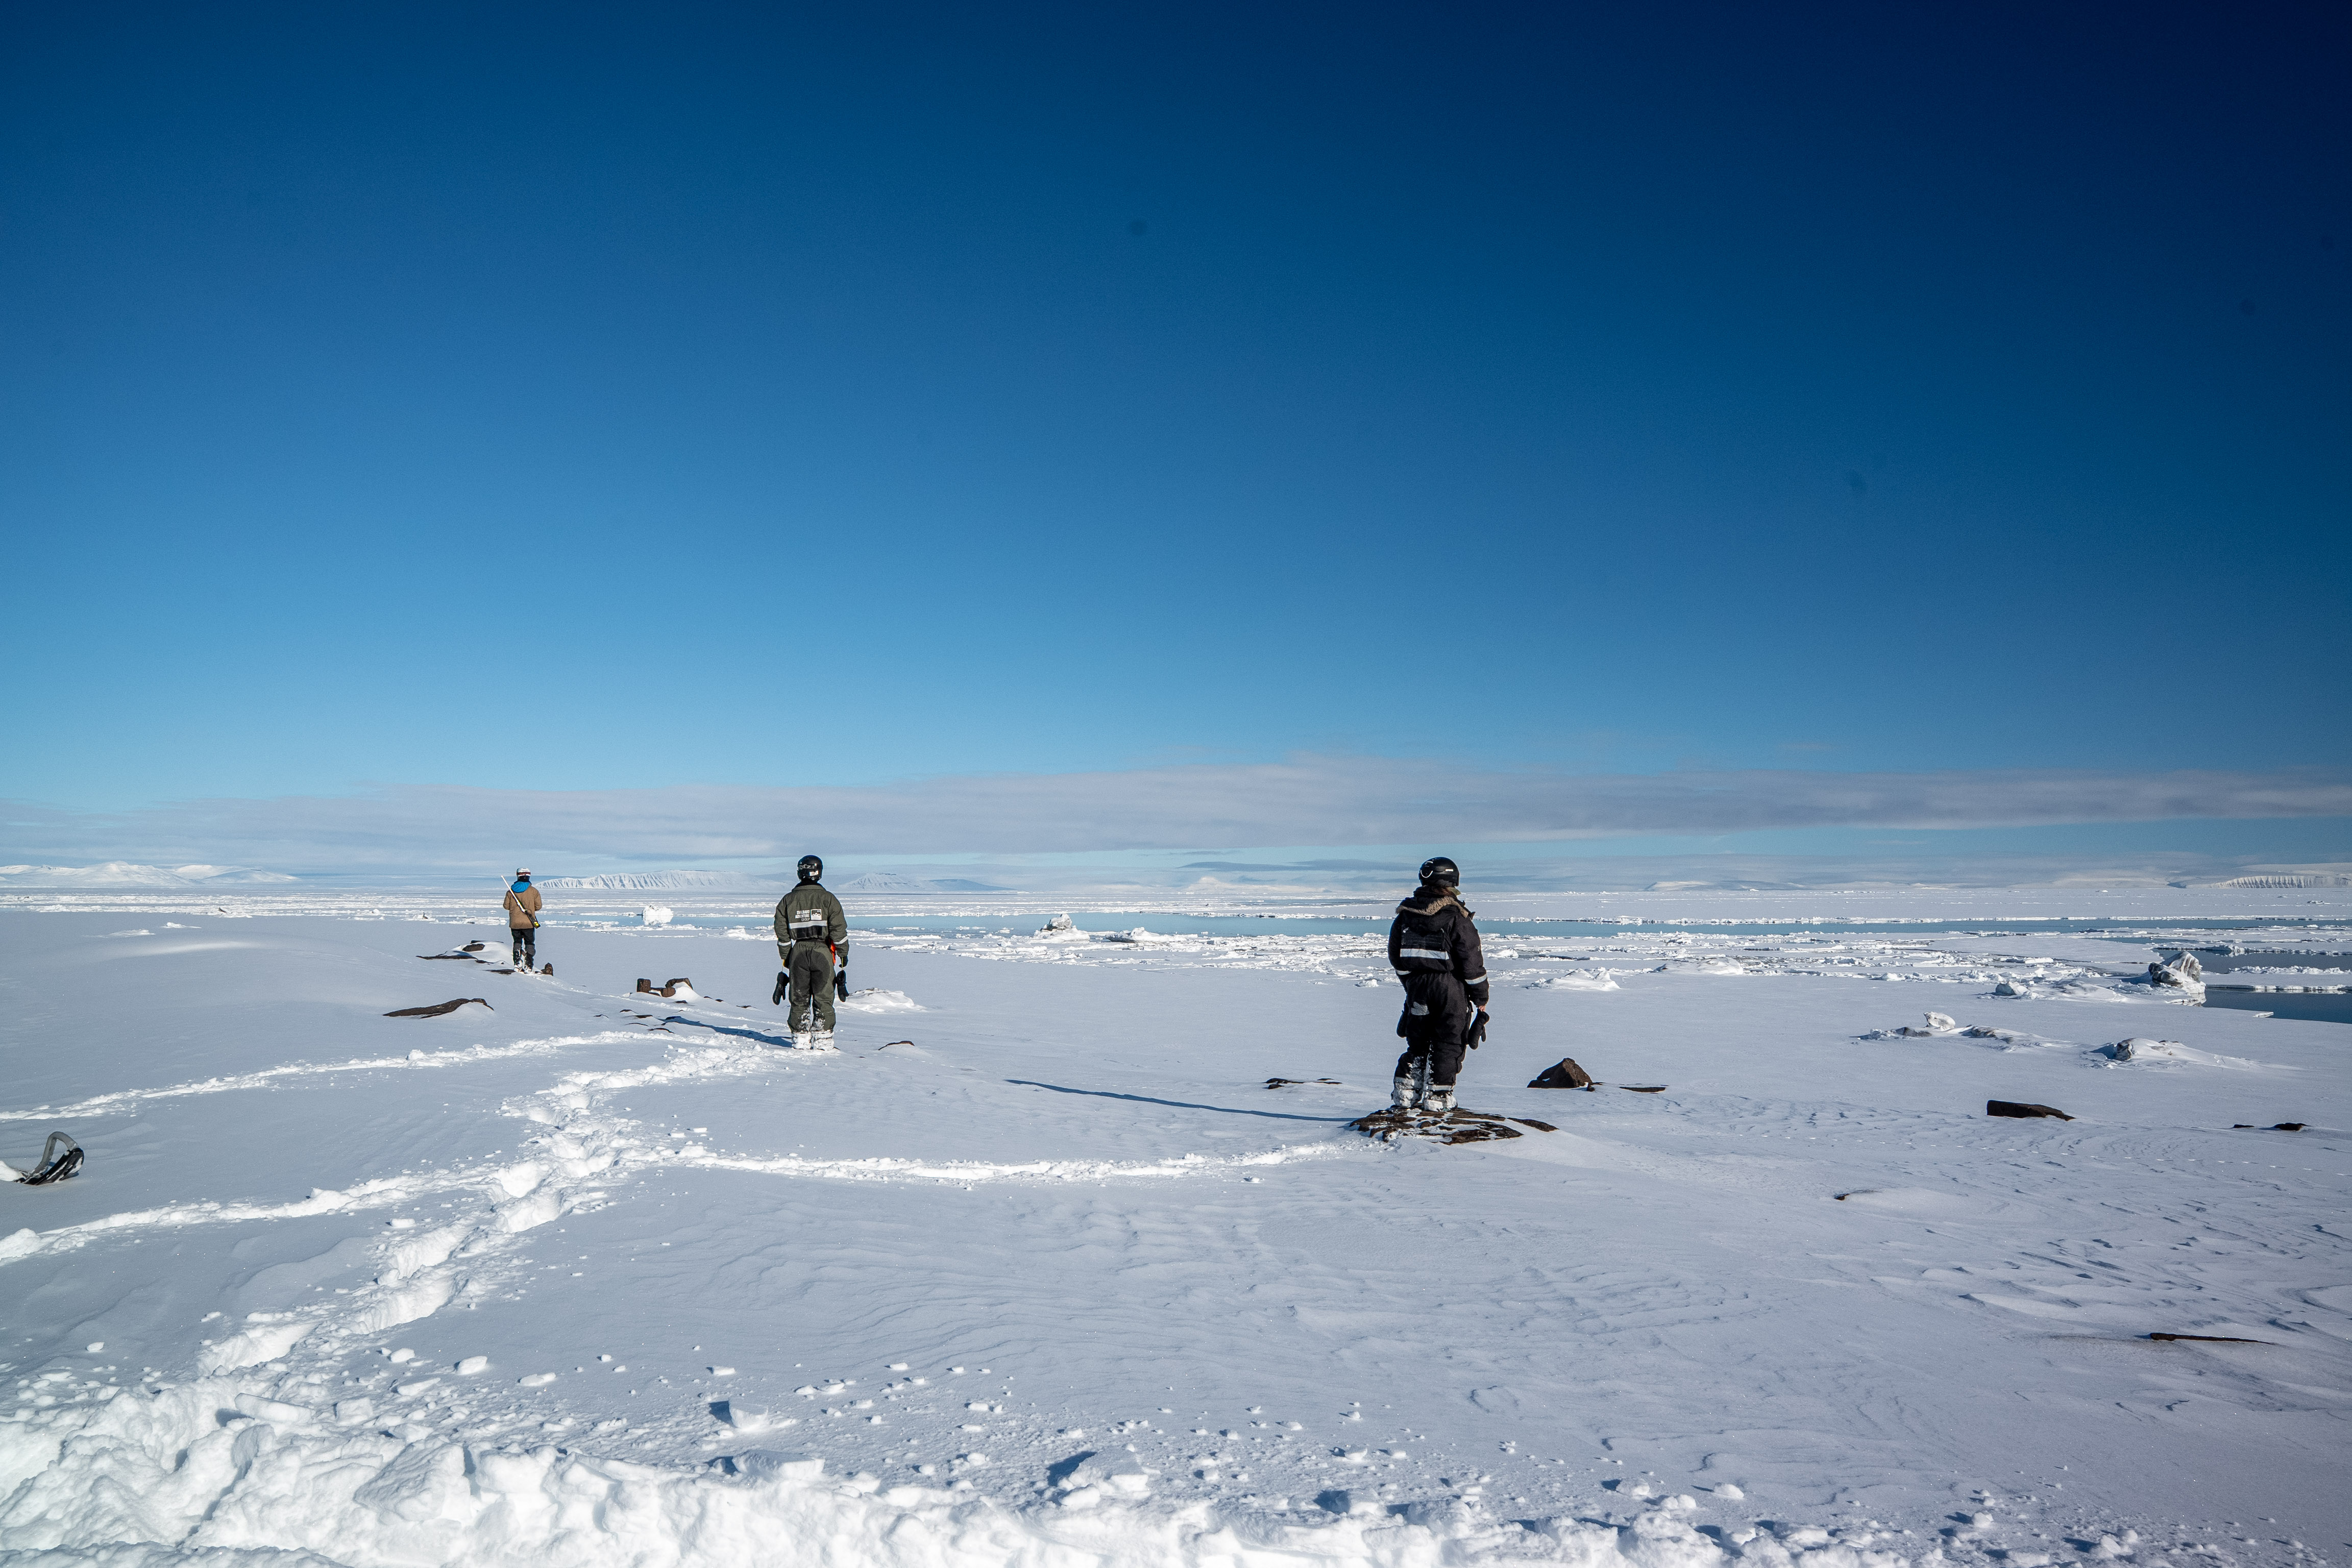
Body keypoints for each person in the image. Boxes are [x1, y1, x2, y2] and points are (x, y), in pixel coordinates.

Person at [1386, 856, 1489, 1113]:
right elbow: (1471, 962)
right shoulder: (1457, 918)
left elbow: (1396, 957)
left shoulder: (1405, 916)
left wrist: (1411, 984)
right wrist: (1480, 996)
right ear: (1452, 882)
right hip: (1450, 990)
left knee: (1417, 1040)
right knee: (1449, 1041)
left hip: (1418, 989)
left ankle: (1406, 1093)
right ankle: (1438, 1098)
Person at [773, 855, 848, 1049]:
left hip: (798, 953)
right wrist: (843, 954)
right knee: (824, 997)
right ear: (819, 873)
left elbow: (782, 932)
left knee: (799, 997)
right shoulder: (829, 899)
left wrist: (787, 956)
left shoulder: (788, 900)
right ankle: (823, 1040)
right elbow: (839, 930)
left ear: (800, 873)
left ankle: (800, 1039)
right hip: (823, 953)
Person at [504, 869, 543, 971]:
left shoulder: (511, 891)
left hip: (515, 923)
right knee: (530, 943)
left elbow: (506, 906)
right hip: (529, 922)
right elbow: (538, 907)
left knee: (517, 942)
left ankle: (517, 962)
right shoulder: (534, 891)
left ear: (518, 876)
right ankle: (529, 965)